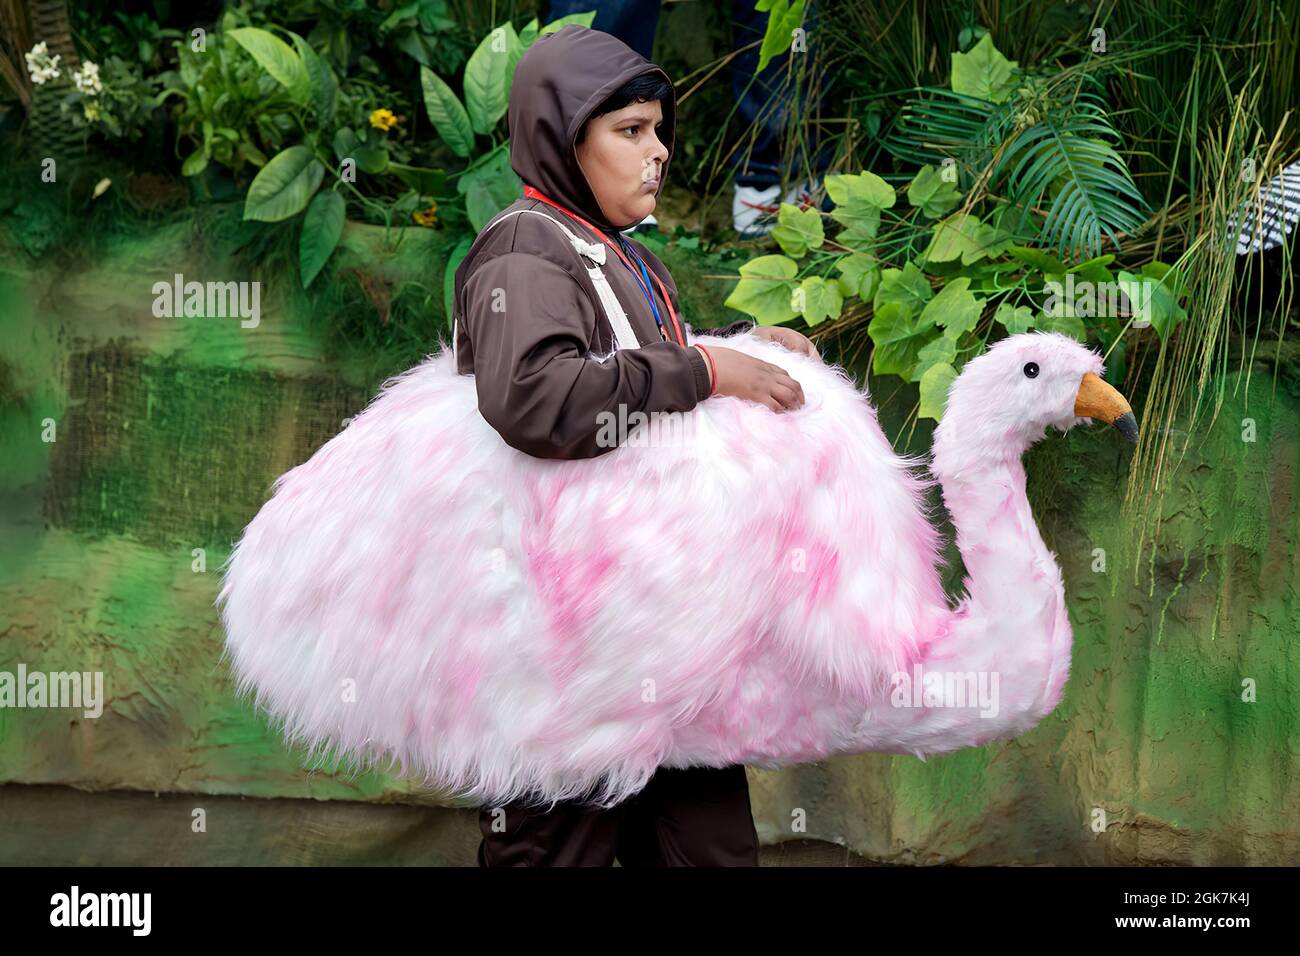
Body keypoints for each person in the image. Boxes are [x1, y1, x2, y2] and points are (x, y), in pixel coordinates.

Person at [451, 24, 820, 865]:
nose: (658, 153)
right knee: (554, 851)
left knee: (711, 851)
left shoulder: (616, 254)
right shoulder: (524, 250)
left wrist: (741, 345)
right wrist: (704, 368)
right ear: (560, 139)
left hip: (665, 639)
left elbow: (634, 367)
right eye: (629, 132)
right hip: (567, 654)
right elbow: (535, 399)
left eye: (658, 130)